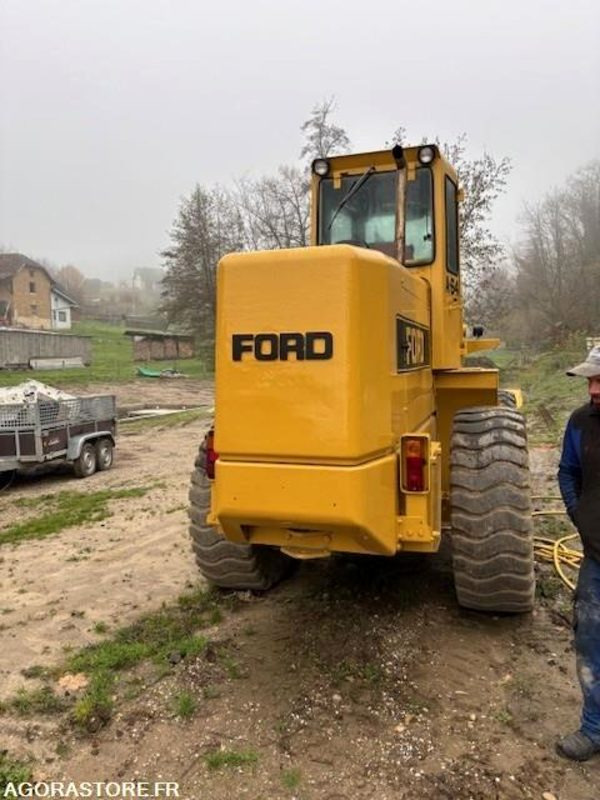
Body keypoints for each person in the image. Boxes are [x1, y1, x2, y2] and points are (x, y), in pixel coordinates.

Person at [556, 344, 600, 761]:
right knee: (590, 641)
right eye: (590, 379)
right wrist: (580, 516)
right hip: (596, 560)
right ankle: (593, 728)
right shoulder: (580, 422)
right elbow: (567, 471)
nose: (593, 388)